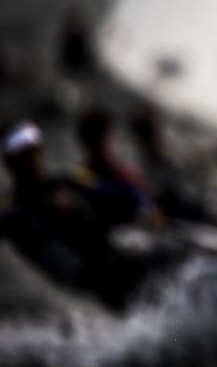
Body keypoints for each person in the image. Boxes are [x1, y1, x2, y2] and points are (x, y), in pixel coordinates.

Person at [0, 120, 152, 311]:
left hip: (111, 257)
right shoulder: (12, 208)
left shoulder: (70, 179)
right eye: (22, 156)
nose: (31, 160)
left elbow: (124, 197)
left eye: (34, 151)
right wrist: (44, 208)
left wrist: (82, 201)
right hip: (82, 277)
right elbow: (17, 221)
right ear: (9, 163)